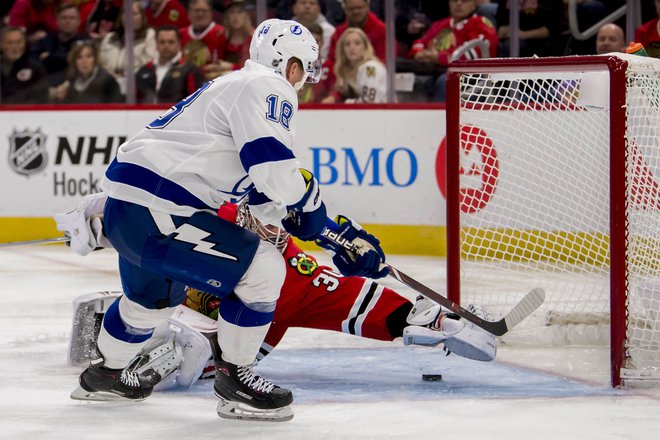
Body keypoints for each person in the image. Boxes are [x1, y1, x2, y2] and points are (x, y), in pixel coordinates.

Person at [58, 19, 386, 422]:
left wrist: (331, 235)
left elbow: (262, 197)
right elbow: (276, 171)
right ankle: (237, 381)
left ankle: (105, 375)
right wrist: (317, 216)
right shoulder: (267, 86)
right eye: (304, 66)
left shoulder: (232, 87)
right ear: (288, 62)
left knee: (150, 302)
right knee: (263, 268)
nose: (304, 79)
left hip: (132, 209)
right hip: (162, 211)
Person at [66, 201, 497, 394]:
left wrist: (428, 321)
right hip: (234, 299)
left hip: (250, 310)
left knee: (195, 353)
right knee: (186, 334)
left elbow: (344, 294)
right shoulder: (224, 204)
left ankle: (142, 356)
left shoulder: (288, 264)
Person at [406, 0, 497, 101]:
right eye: (454, 0)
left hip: (471, 80)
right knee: (414, 81)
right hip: (434, 72)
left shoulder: (481, 24)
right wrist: (418, 54)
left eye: (464, 1)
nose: (458, 4)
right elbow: (419, 43)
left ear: (474, 3)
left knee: (445, 81)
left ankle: (442, 116)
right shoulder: (440, 24)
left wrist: (439, 58)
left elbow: (475, 55)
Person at [28, 3, 87, 101]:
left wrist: (49, 57)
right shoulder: (45, 41)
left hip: (77, 91)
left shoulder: (86, 43)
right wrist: (66, 58)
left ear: (79, 21)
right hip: (45, 90)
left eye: (72, 18)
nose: (68, 21)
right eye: (64, 18)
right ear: (57, 21)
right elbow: (31, 62)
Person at [98, 1, 157, 95]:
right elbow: (100, 64)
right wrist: (111, 76)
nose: (129, 17)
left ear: (142, 17)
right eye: (125, 12)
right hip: (109, 85)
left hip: (137, 86)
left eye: (134, 14)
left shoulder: (149, 36)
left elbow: (149, 65)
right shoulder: (110, 37)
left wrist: (126, 75)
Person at [136, 25, 205, 104]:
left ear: (179, 44)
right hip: (145, 115)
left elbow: (195, 102)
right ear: (156, 44)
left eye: (171, 42)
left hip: (177, 115)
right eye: (162, 42)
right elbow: (136, 100)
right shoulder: (144, 70)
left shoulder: (191, 70)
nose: (166, 46)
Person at [322, 27, 387, 103]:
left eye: (357, 43)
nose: (352, 48)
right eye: (347, 44)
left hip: (382, 112)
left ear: (365, 47)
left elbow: (370, 101)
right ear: (343, 50)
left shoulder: (370, 68)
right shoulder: (348, 70)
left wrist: (343, 103)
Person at [53, 40, 123, 104]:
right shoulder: (72, 82)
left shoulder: (107, 81)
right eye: (79, 57)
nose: (84, 61)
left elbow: (115, 109)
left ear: (95, 59)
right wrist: (59, 98)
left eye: (88, 56)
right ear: (74, 62)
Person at [202, 0, 254, 79]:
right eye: (232, 12)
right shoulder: (219, 36)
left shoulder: (253, 38)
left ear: (246, 15)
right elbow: (211, 64)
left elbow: (253, 70)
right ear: (227, 15)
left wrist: (231, 66)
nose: (235, 16)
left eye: (239, 12)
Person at [495, 0, 563, 57]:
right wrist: (502, 28)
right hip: (513, 31)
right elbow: (501, 16)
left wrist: (523, 34)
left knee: (509, 46)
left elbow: (552, 29)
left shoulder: (548, 4)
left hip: (538, 40)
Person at [0, 26, 49, 104]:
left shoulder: (35, 68)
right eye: (9, 42)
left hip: (26, 113)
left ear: (24, 44)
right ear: (1, 45)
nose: (14, 46)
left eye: (18, 42)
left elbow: (42, 98)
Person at [179, 0, 225, 76]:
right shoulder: (180, 34)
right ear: (189, 12)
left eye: (204, 10)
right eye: (197, 10)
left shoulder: (221, 33)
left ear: (211, 12)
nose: (200, 14)